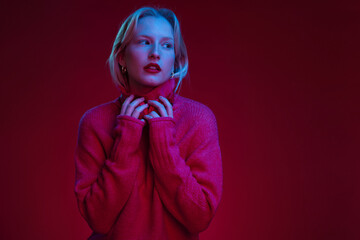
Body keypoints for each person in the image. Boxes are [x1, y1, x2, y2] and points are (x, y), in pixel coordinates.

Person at [74, 6, 223, 240]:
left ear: (175, 61)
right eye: (144, 42)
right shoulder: (95, 122)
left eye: (166, 45)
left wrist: (163, 142)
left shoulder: (199, 119)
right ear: (121, 56)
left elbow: (199, 217)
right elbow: (99, 220)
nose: (155, 53)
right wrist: (125, 140)